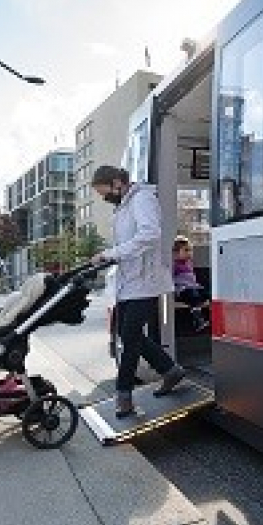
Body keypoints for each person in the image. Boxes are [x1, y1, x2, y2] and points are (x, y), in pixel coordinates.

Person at [90, 165, 186, 417]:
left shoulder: (142, 199)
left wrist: (111, 254)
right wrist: (109, 257)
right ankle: (170, 370)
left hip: (146, 280)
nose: (104, 198)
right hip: (129, 281)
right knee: (125, 332)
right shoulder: (123, 206)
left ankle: (124, 395)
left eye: (105, 192)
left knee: (130, 336)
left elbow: (150, 235)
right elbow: (126, 243)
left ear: (117, 183)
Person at [172, 236, 209, 331]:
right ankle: (199, 320)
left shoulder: (188, 263)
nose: (189, 253)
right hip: (183, 290)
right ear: (176, 253)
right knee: (193, 296)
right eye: (186, 250)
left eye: (190, 250)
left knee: (207, 293)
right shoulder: (174, 265)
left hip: (193, 287)